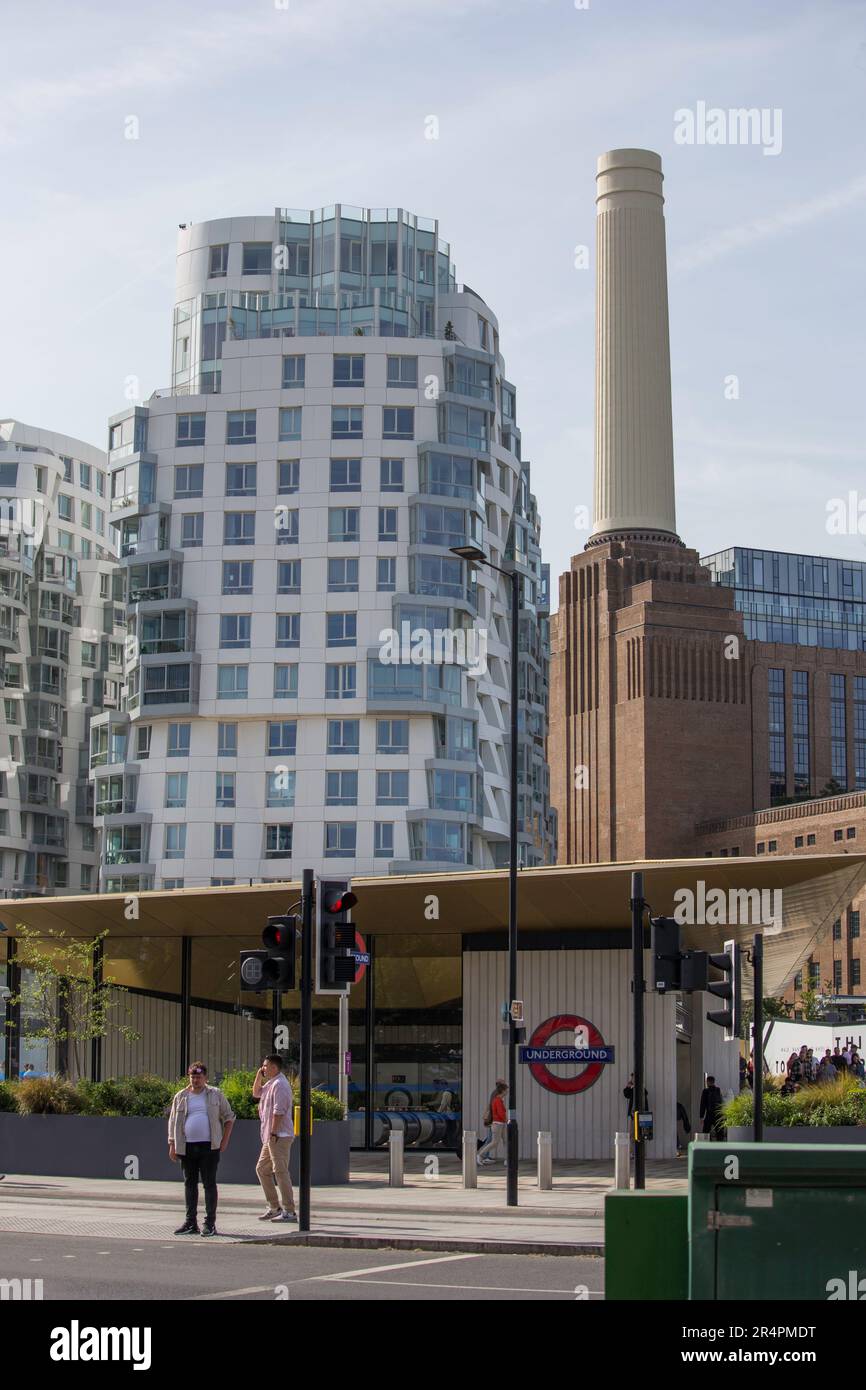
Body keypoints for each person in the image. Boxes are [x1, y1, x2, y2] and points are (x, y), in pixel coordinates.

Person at [167, 1061, 235, 1237]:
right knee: (190, 1184)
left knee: (209, 1184)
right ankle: (191, 1222)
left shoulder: (215, 1094)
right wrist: (172, 1144)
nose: (195, 1080)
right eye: (192, 1077)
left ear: (205, 1077)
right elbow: (173, 1121)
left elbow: (229, 1117)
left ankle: (210, 1223)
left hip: (209, 1146)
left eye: (198, 1077)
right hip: (187, 1146)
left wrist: (224, 1140)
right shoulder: (181, 1096)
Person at [253, 1054, 297, 1223]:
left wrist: (273, 1133)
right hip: (270, 1136)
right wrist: (258, 1076)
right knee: (262, 1169)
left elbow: (279, 1111)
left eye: (265, 1066)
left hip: (279, 1136)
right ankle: (274, 1207)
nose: (263, 1068)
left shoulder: (280, 1085)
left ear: (274, 1067)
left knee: (280, 1171)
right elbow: (256, 1093)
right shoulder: (271, 1083)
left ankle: (289, 1210)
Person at [477, 1080, 507, 1166]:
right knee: (493, 1141)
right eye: (506, 1089)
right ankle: (481, 1155)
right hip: (497, 1123)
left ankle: (507, 1159)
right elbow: (499, 1112)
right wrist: (507, 1120)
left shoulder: (498, 1098)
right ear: (502, 1089)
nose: (507, 1091)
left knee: (504, 1141)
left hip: (499, 1123)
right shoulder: (497, 1099)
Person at [699, 1075, 724, 1141]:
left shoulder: (705, 1091)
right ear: (714, 1082)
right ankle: (720, 1147)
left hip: (709, 1114)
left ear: (708, 1082)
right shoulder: (718, 1090)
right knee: (719, 1132)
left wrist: (701, 1116)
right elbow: (721, 1102)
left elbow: (703, 1104)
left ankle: (708, 1145)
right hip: (718, 1114)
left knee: (706, 1131)